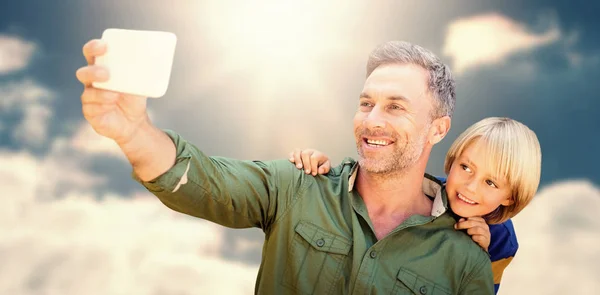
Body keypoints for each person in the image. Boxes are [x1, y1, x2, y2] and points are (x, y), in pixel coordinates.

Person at [76, 39, 495, 294]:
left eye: (395, 107)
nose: (372, 120)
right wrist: (133, 132)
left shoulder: (464, 259)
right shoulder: (298, 186)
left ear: (437, 129)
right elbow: (200, 179)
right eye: (365, 103)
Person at [288, 116, 542, 294]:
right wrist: (322, 170)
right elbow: (363, 182)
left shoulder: (501, 241)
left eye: (491, 182)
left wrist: (480, 257)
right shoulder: (419, 191)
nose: (470, 187)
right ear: (452, 161)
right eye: (465, 167)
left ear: (510, 196)